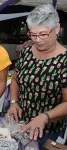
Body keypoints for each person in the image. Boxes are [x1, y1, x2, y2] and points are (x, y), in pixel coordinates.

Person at [7, 3, 67, 149]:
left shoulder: (64, 61)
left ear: (56, 29)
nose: (37, 40)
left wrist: (45, 117)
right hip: (21, 123)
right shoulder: (27, 51)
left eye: (43, 34)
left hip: (47, 130)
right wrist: (14, 102)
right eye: (33, 34)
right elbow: (15, 79)